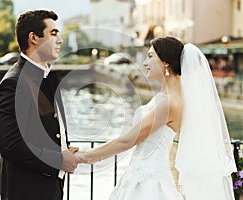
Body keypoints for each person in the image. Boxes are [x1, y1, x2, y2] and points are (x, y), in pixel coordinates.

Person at [75, 36, 237, 200]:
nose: (145, 63)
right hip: (139, 176)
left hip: (150, 184)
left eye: (150, 56)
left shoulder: (168, 103)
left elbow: (128, 140)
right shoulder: (163, 97)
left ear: (166, 63)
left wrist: (86, 156)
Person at [0, 10, 79, 200]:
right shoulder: (14, 83)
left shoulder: (46, 77)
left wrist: (62, 149)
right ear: (34, 38)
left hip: (49, 187)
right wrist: (60, 159)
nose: (60, 40)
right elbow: (12, 145)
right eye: (53, 33)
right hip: (27, 191)